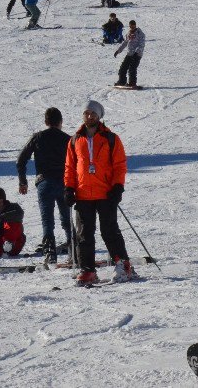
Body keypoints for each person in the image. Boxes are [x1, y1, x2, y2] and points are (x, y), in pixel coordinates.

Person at [64, 100, 134, 283]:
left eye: (93, 113)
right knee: (84, 235)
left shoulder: (111, 138)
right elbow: (70, 167)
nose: (89, 116)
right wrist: (69, 188)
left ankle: (123, 265)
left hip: (106, 193)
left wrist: (118, 186)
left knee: (109, 230)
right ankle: (87, 270)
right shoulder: (74, 140)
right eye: (86, 113)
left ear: (99, 116)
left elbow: (120, 165)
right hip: (83, 193)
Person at [16, 108, 71, 263]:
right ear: (61, 122)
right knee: (66, 218)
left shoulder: (38, 137)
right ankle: (74, 249)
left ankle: (50, 253)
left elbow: (20, 160)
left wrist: (23, 181)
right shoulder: (68, 139)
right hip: (64, 183)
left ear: (46, 122)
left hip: (44, 182)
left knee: (47, 220)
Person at [113, 20, 145, 87]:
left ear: (135, 25)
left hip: (137, 54)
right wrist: (118, 51)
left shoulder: (140, 33)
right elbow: (125, 43)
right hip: (129, 53)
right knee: (123, 67)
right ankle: (122, 82)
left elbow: (141, 44)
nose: (132, 27)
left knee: (132, 68)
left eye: (133, 26)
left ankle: (132, 83)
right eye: (130, 26)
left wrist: (136, 52)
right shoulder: (129, 33)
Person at [0, 188, 25, 257]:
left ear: (0, 200)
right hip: (0, 242)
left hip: (15, 242)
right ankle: (3, 251)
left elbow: (19, 214)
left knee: (10, 223)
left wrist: (0, 218)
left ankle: (8, 244)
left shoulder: (13, 207)